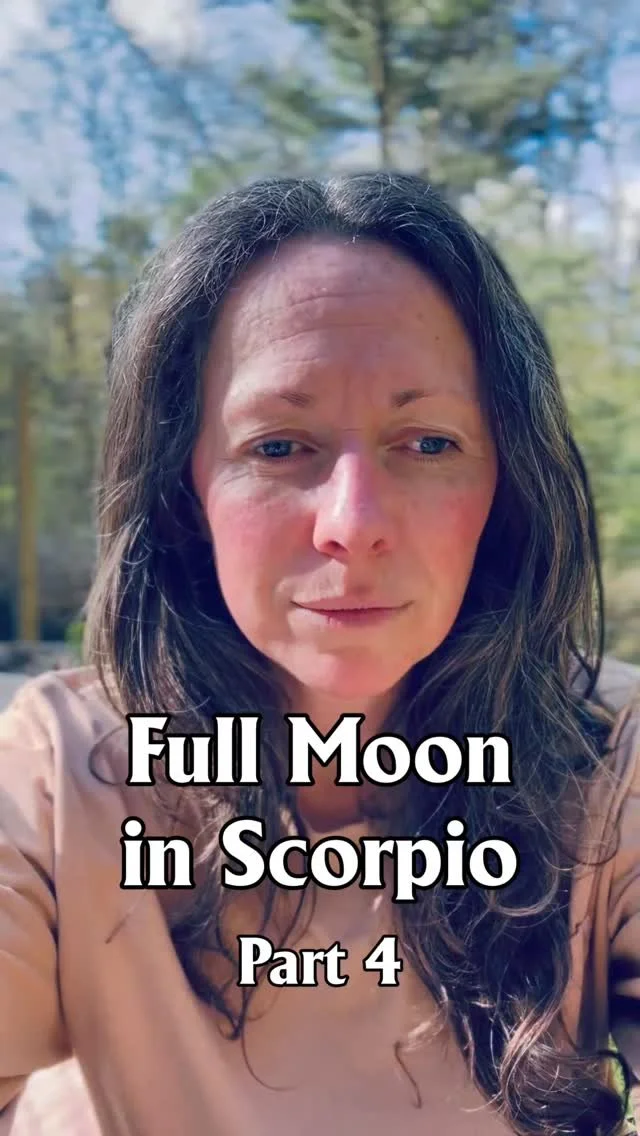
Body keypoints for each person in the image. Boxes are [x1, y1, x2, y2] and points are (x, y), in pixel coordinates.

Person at [1, 171, 639, 1136]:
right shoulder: (63, 775)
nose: (352, 522)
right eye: (278, 446)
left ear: (504, 489)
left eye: (427, 443)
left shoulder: (612, 757)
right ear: (184, 492)